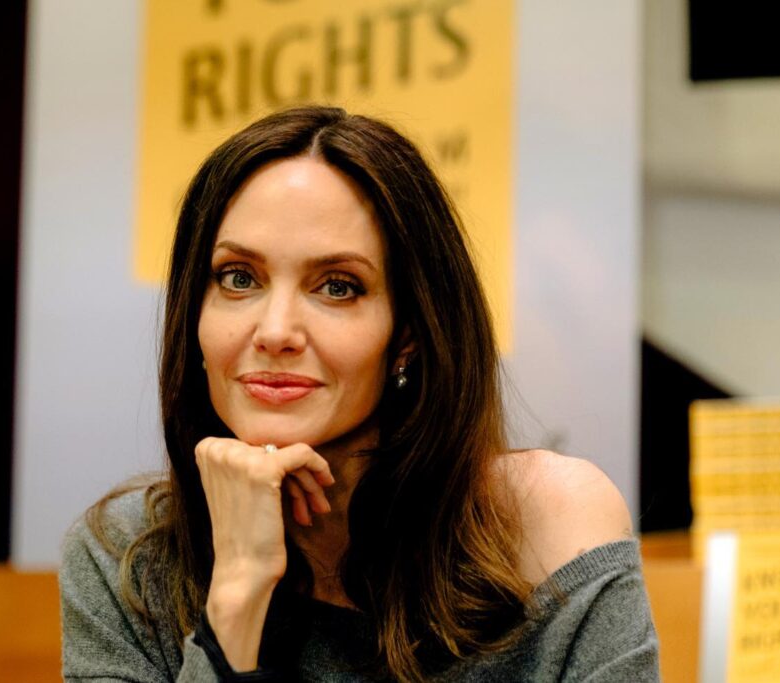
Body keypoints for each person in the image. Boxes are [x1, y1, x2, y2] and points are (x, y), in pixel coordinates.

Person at [59, 106, 659, 681]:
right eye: (239, 278)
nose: (275, 332)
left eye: (338, 287)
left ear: (408, 337)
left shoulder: (551, 527)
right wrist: (238, 593)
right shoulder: (125, 560)